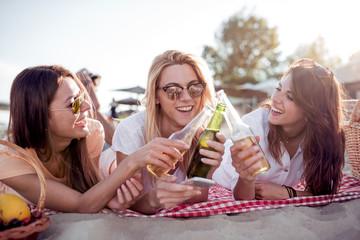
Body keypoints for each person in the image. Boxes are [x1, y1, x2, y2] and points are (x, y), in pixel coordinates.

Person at [0, 65, 190, 213]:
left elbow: (91, 192)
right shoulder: (9, 157)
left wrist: (110, 200)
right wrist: (132, 161)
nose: (87, 107)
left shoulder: (91, 134)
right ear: (38, 114)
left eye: (83, 97)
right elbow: (81, 204)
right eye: (73, 104)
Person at [109, 50, 226, 214]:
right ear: (156, 96)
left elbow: (196, 198)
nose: (186, 97)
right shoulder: (131, 131)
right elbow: (127, 202)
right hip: (109, 162)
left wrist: (206, 173)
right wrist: (154, 199)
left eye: (194, 88)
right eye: (172, 90)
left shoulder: (203, 134)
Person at [212, 58, 346, 200]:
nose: (275, 99)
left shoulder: (321, 140)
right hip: (216, 169)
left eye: (289, 97)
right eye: (278, 89)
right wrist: (246, 179)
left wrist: (289, 193)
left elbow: (324, 191)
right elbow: (242, 199)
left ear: (311, 111)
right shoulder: (254, 126)